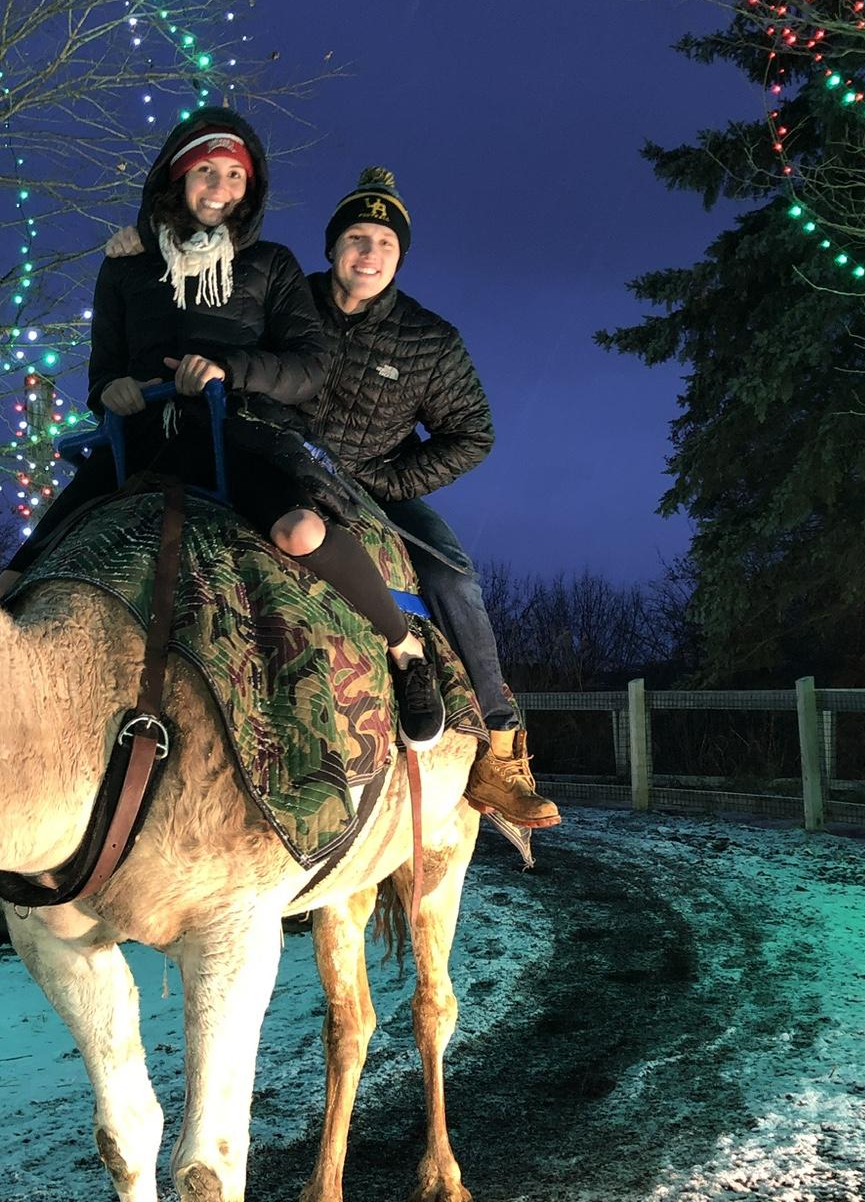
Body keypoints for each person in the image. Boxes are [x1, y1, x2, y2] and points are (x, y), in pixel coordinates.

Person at [103, 166, 559, 828]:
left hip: (374, 482)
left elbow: (472, 434)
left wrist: (389, 482)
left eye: (384, 243)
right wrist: (143, 242)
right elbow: (204, 292)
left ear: (399, 256)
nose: (368, 254)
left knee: (453, 575)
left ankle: (498, 745)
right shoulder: (287, 296)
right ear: (331, 247)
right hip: (272, 459)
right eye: (355, 238)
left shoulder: (430, 340)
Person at [0, 112, 446, 749]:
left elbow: (309, 368)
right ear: (177, 178)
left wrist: (230, 369)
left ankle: (405, 653)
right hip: (145, 439)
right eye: (206, 170)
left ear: (250, 187)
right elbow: (102, 370)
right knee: (18, 573)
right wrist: (110, 392)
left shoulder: (271, 264)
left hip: (235, 434)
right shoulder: (125, 266)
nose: (220, 186)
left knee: (301, 531)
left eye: (236, 174)